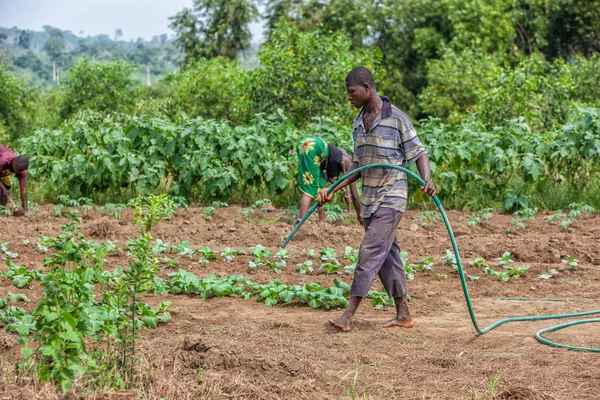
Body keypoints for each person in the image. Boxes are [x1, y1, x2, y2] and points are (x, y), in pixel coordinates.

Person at [318, 67, 436, 332]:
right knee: (387, 257)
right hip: (371, 201)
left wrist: (426, 179)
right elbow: (357, 167)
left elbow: (419, 152)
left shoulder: (397, 118)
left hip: (392, 197)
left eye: (352, 92)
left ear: (367, 88)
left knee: (369, 252)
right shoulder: (359, 123)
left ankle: (348, 315)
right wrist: (334, 189)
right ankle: (403, 314)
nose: (349, 97)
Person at [296, 137, 361, 223]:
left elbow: (328, 177)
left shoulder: (341, 153)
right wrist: (360, 216)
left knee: (321, 188)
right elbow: (355, 195)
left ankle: (321, 221)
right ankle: (300, 221)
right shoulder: (349, 163)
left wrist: (343, 190)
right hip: (312, 148)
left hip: (304, 143)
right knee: (310, 189)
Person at [0, 146, 29, 215]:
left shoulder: (21, 170)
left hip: (2, 172)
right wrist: (4, 190)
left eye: (21, 170)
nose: (20, 172)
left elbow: (23, 190)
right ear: (14, 164)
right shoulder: (3, 161)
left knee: (7, 187)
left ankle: (2, 212)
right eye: (19, 170)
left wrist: (25, 210)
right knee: (4, 190)